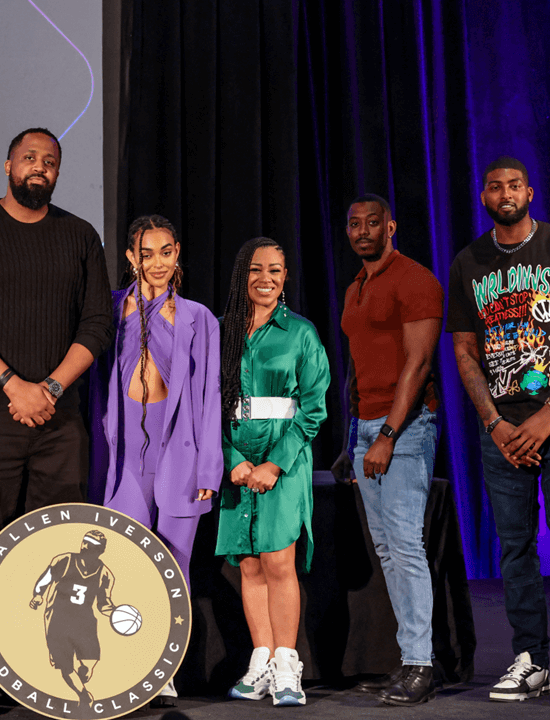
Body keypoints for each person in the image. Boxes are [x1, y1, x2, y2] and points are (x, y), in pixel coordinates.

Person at [0, 127, 114, 717]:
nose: (40, 167)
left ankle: (40, 665)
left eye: (50, 161)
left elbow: (96, 325)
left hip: (60, 421)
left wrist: (50, 389)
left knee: (55, 545)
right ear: (7, 164)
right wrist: (14, 386)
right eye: (29, 158)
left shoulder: (80, 236)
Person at [448, 156, 550, 708]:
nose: (505, 193)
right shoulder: (468, 262)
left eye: (514, 185)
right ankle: (531, 660)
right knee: (515, 547)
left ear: (530, 192)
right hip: (502, 428)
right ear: (484, 197)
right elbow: (465, 351)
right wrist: (494, 422)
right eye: (495, 187)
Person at [87, 214, 221, 705]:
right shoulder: (108, 311)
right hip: (124, 453)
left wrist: (210, 467)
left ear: (177, 252)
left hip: (180, 450)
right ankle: (130, 660)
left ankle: (162, 667)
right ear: (131, 257)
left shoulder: (198, 318)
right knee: (126, 559)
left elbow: (209, 394)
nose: (158, 263)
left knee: (174, 564)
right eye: (147, 254)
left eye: (166, 252)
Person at [328, 194, 442, 705]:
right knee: (389, 551)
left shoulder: (415, 280)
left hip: (407, 428)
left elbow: (418, 365)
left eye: (372, 223)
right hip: (367, 429)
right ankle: (410, 659)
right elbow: (357, 369)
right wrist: (351, 438)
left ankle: (421, 665)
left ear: (390, 227)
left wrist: (388, 436)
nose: (363, 231)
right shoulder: (356, 287)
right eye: (354, 224)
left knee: (406, 545)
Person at [215, 237, 329, 707]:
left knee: (279, 561)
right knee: (248, 563)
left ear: (285, 278)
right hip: (237, 462)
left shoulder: (300, 333)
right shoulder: (220, 331)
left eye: (275, 270)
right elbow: (206, 407)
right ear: (242, 274)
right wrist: (231, 459)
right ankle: (261, 660)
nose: (266, 278)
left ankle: (287, 664)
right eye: (256, 269)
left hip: (283, 461)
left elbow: (314, 409)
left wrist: (274, 463)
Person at [28, 530, 117, 710]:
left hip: (84, 621)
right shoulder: (65, 560)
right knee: (65, 666)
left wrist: (116, 614)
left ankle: (81, 677)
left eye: (93, 546)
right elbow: (45, 579)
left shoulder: (105, 574)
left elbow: (104, 604)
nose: (87, 547)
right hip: (57, 619)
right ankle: (84, 696)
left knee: (89, 665)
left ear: (101, 550)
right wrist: (38, 595)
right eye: (86, 543)